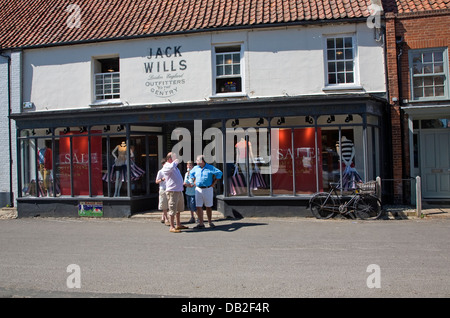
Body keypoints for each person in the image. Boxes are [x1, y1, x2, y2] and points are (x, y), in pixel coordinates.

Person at [190, 155, 223, 229]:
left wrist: (214, 183)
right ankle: (201, 223)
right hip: (198, 189)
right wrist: (194, 180)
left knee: (208, 206)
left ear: (202, 161)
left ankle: (210, 222)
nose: (196, 161)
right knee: (198, 206)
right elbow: (191, 174)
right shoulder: (195, 168)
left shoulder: (210, 167)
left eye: (197, 160)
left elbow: (219, 173)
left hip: (208, 189)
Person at [162, 152, 187, 233]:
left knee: (178, 209)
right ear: (169, 159)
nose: (176, 159)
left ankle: (178, 224)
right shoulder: (166, 166)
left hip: (178, 190)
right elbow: (171, 166)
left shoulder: (175, 167)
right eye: (174, 157)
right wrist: (175, 161)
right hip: (172, 191)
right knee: (172, 209)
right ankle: (172, 226)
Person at [156, 158, 169, 225]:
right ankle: (166, 218)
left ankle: (163, 217)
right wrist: (162, 179)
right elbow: (156, 181)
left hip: (169, 189)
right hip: (163, 189)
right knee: (164, 204)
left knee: (168, 204)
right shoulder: (160, 172)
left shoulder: (169, 171)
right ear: (163, 164)